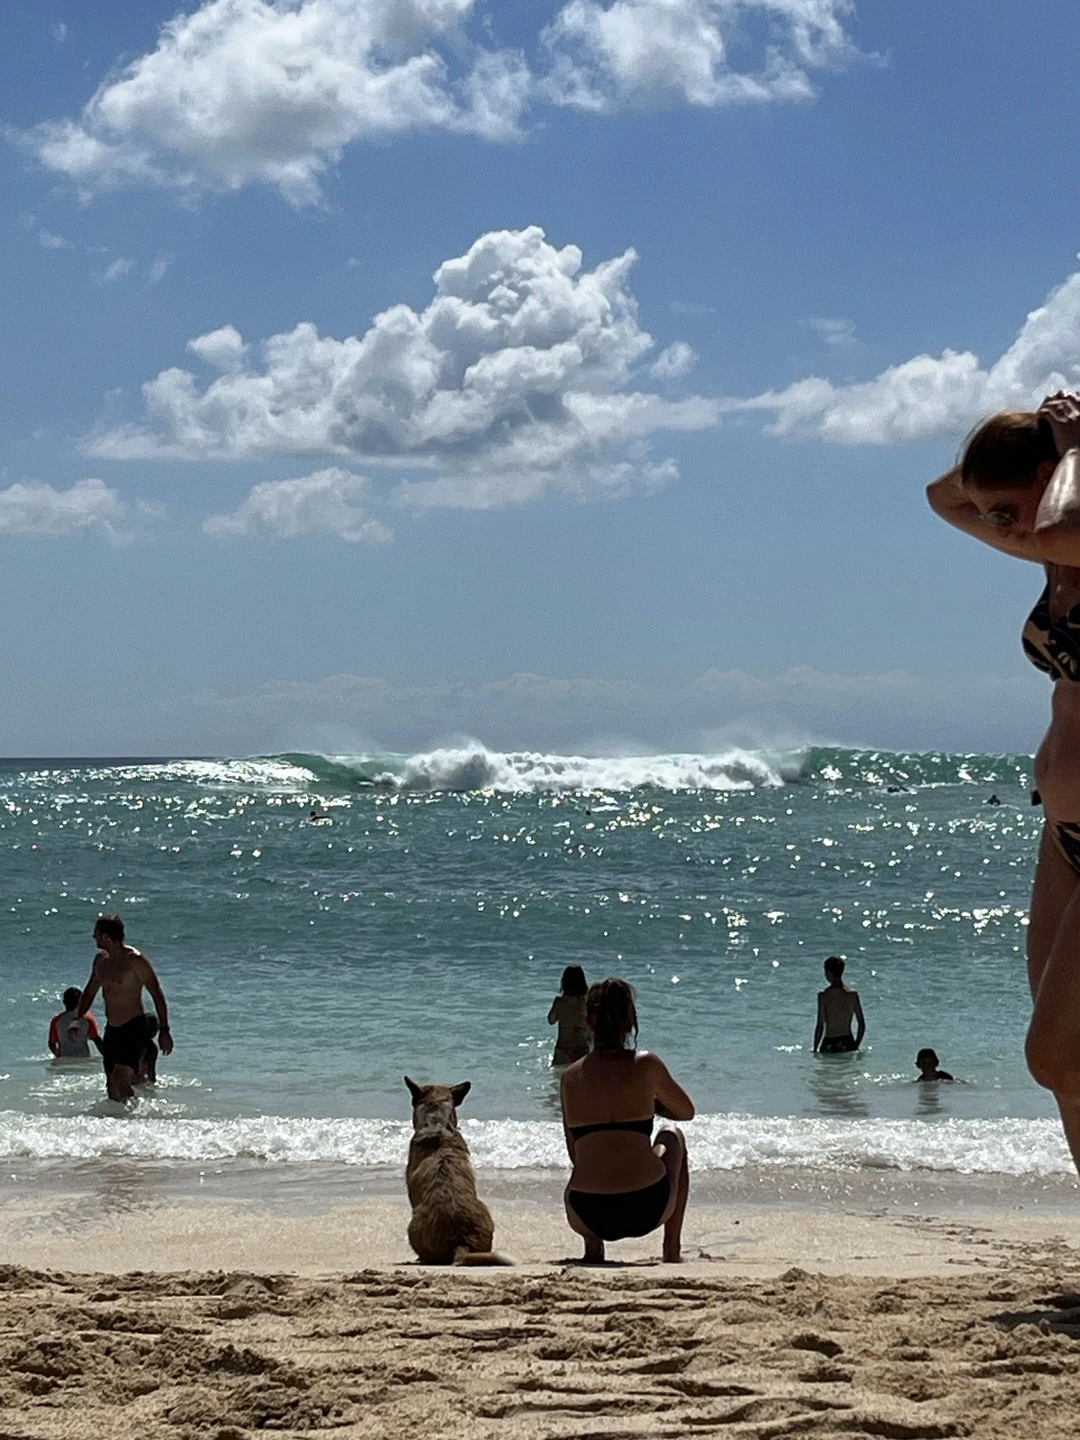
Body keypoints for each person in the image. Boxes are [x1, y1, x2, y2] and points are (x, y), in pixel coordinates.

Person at [927, 391, 1080, 1173]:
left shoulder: (1068, 537)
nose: (997, 529)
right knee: (1070, 1074)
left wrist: (1074, 445)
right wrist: (1034, 431)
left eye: (1005, 512)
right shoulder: (1051, 559)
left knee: (1055, 1052)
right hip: (1064, 837)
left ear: (1052, 481)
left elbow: (1054, 525)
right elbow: (942, 497)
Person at [559, 977, 694, 1264]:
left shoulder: (570, 1077)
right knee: (672, 1135)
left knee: (588, 1159)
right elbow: (686, 1111)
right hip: (647, 1208)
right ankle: (671, 1249)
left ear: (589, 1022)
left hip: (587, 1214)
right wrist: (647, 1106)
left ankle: (592, 1247)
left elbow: (575, 1155)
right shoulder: (647, 1065)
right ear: (630, 1022)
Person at [76, 915, 174, 1101]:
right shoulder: (100, 961)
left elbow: (157, 994)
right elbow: (89, 991)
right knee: (111, 1087)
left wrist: (164, 1030)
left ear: (106, 936)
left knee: (121, 1080)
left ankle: (138, 1113)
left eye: (96, 934)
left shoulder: (135, 961)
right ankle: (124, 1117)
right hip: (112, 1030)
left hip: (134, 1028)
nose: (93, 937)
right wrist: (76, 1017)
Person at [813, 956, 866, 1054]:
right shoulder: (852, 995)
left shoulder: (824, 995)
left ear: (829, 973)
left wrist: (815, 1048)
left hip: (830, 1042)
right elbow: (861, 1023)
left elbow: (820, 1025)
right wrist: (856, 1045)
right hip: (847, 1042)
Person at [547, 965, 591, 1065]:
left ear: (564, 982)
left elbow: (551, 1020)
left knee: (559, 1074)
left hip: (563, 1049)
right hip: (582, 1049)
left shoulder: (560, 1002)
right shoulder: (587, 1002)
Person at [47, 987, 102, 1060]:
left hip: (64, 1059)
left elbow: (51, 1044)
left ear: (64, 1002)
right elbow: (97, 1040)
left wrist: (58, 1056)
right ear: (80, 1002)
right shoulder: (87, 1019)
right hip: (84, 1059)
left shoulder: (56, 1021)